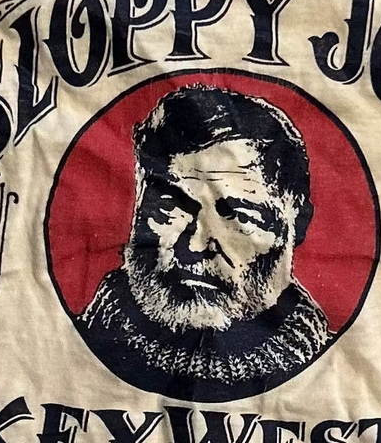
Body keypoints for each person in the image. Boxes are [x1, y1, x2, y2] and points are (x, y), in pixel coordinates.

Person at [75, 83, 333, 401]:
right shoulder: (54, 353)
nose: (195, 246)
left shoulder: (342, 381)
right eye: (169, 206)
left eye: (238, 216)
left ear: (296, 225)